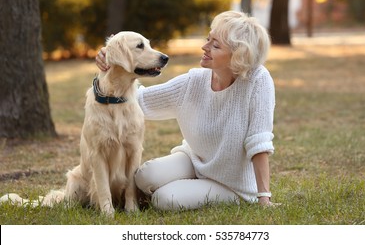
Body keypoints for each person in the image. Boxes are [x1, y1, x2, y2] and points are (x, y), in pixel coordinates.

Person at [96, 11, 277, 210]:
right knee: (145, 176)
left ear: (238, 56)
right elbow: (138, 100)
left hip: (232, 184)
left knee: (165, 199)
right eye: (208, 39)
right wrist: (110, 66)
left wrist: (264, 197)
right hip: (193, 160)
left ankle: (193, 192)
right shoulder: (194, 81)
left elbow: (259, 143)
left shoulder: (258, 80)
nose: (204, 47)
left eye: (215, 45)